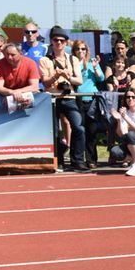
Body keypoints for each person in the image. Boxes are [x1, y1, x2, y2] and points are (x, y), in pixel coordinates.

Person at [40, 27, 88, 171]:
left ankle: (77, 160)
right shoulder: (45, 60)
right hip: (52, 98)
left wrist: (68, 77)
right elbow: (45, 82)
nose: (59, 43)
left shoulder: (72, 59)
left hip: (69, 97)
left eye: (62, 40)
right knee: (54, 131)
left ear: (66, 42)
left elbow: (79, 81)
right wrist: (56, 75)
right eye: (56, 40)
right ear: (51, 42)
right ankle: (58, 159)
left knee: (79, 128)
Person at [73, 40, 106, 167]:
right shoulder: (72, 63)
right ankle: (78, 160)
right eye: (78, 49)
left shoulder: (93, 62)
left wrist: (96, 67)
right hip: (78, 99)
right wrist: (82, 69)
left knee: (92, 131)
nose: (81, 51)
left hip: (92, 100)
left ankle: (91, 160)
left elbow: (101, 78)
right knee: (80, 130)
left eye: (83, 49)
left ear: (87, 50)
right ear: (74, 51)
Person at [0, 42, 41, 108]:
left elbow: (34, 86)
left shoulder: (30, 63)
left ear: (21, 53)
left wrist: (18, 92)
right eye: (7, 54)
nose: (9, 57)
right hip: (6, 96)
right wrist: (12, 92)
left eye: (13, 55)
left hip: (25, 96)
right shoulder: (0, 63)